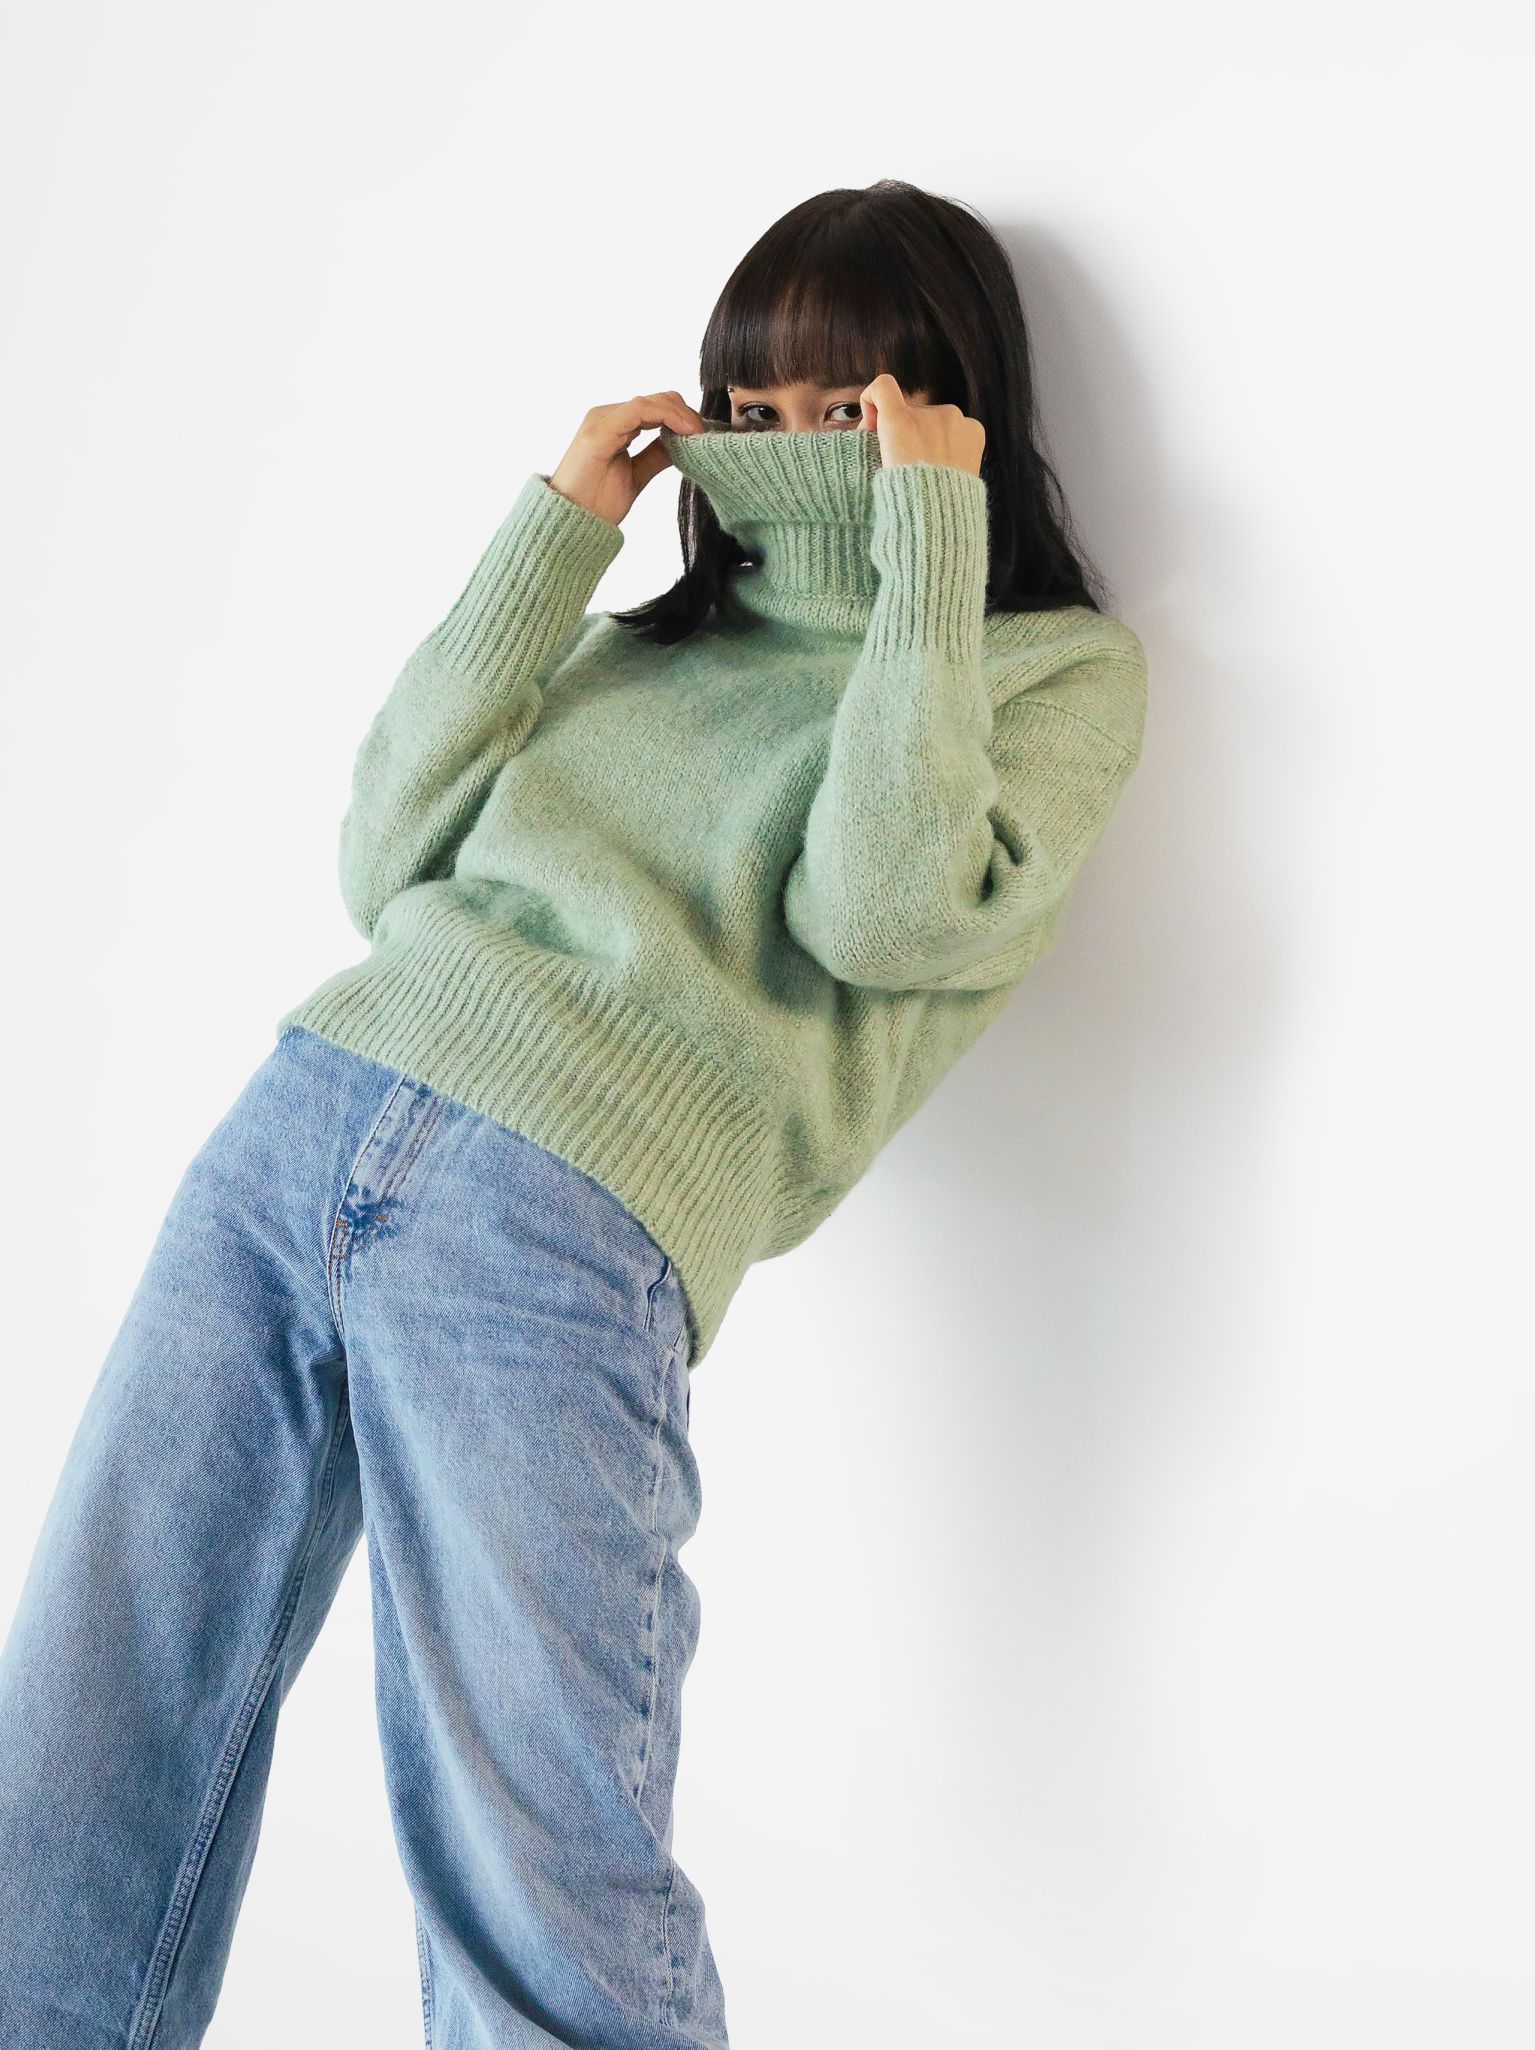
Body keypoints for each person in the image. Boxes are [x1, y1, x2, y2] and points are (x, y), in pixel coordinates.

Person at [0, 178, 1147, 2048]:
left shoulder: (1046, 675)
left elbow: (883, 911)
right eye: (754, 412)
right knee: (87, 1722)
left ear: (955, 413)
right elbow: (388, 856)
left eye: (851, 412)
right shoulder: (646, 646)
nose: (792, 454)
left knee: (535, 1851)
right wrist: (556, 538)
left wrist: (930, 547)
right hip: (305, 1117)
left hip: (562, 1219)